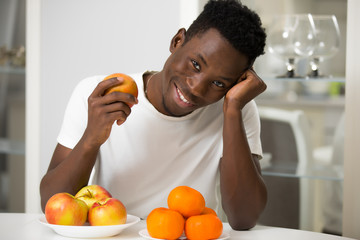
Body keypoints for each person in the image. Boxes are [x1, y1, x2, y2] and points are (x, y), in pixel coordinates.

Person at [40, 0, 267, 230]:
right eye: (196, 64)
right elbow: (50, 202)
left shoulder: (235, 110)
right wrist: (92, 138)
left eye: (219, 83)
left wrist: (233, 110)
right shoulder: (100, 96)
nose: (196, 88)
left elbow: (244, 218)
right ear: (177, 41)